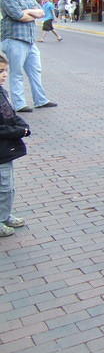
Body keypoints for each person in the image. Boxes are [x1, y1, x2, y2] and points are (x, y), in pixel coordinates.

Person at [0, 0, 58, 113]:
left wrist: (28, 11)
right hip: (15, 39)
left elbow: (42, 13)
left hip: (30, 41)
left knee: (35, 71)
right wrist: (30, 14)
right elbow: (19, 16)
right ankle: (19, 104)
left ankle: (40, 100)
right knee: (17, 72)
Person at [0, 52, 31, 237]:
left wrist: (22, 125)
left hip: (5, 149)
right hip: (2, 149)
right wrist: (19, 131)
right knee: (3, 186)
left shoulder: (2, 91)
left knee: (8, 185)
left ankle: (5, 214)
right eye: (0, 71)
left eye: (5, 71)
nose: (4, 75)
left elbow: (9, 114)